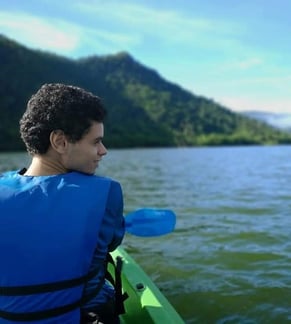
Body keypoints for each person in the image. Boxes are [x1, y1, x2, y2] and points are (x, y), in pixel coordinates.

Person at [0, 83, 125, 323]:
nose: (103, 151)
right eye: (96, 142)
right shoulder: (107, 193)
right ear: (60, 141)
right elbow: (112, 242)